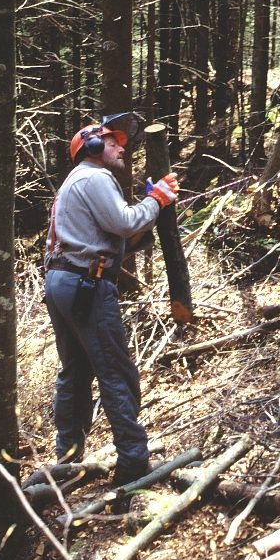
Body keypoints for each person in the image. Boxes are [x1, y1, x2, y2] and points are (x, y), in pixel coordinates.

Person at [44, 114, 179, 484]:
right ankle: (134, 460)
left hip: (62, 281)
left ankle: (67, 462)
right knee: (114, 369)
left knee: (75, 372)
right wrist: (157, 200)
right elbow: (124, 222)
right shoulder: (96, 176)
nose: (122, 147)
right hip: (86, 282)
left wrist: (143, 218)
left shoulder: (74, 183)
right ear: (91, 145)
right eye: (113, 141)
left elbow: (113, 234)